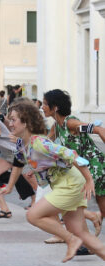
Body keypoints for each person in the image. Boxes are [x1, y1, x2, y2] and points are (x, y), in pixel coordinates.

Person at [1, 101, 105, 266]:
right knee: (80, 231)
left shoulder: (38, 142)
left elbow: (72, 154)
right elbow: (18, 165)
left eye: (13, 120)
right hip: (63, 184)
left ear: (26, 122)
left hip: (70, 184)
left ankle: (70, 240)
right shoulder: (22, 144)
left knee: (33, 215)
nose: (9, 124)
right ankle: (76, 239)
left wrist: (89, 180)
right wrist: (11, 186)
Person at [42, 90, 104, 241]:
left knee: (71, 203)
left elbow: (98, 129)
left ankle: (83, 240)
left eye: (44, 104)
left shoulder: (71, 123)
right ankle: (88, 242)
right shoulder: (56, 127)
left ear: (55, 107)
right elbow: (43, 145)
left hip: (96, 169)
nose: (42, 107)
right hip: (83, 172)